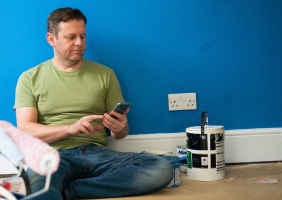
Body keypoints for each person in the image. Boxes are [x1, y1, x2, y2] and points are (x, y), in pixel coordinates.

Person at [14, 7, 173, 200]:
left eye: (82, 36)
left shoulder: (105, 74)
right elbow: (26, 132)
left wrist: (119, 127)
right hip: (53, 154)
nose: (79, 43)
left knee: (161, 168)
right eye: (71, 37)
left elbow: (120, 134)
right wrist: (70, 129)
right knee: (39, 186)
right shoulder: (30, 78)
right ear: (51, 39)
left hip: (98, 154)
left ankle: (70, 191)